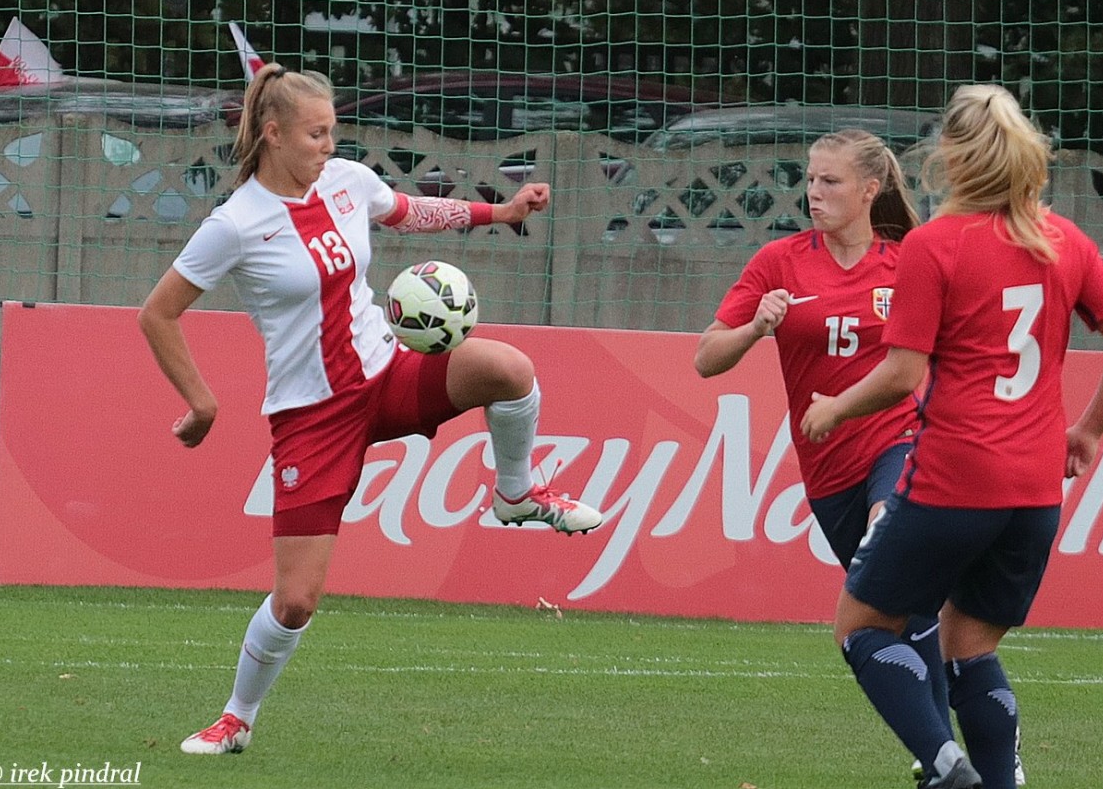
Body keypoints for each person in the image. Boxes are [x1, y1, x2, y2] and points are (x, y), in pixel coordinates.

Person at [138, 63, 604, 756]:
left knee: (510, 369)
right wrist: (201, 404)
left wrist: (499, 212)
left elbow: (410, 210)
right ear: (273, 134)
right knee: (296, 601)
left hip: (388, 372)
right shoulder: (234, 224)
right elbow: (158, 313)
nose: (330, 144)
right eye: (317, 132)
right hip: (312, 417)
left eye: (332, 131)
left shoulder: (348, 183)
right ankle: (237, 717)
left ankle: (516, 493)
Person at [801, 84, 1103, 789]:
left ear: (953, 156)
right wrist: (1086, 430)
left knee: (862, 625)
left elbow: (902, 374)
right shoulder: (1063, 239)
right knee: (970, 644)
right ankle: (995, 781)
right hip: (1033, 490)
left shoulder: (935, 246)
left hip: (954, 479)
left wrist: (835, 407)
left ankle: (943, 764)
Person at [694, 128, 966, 780]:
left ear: (870, 189)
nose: (814, 192)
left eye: (830, 181)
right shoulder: (780, 262)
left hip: (902, 445)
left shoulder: (907, 262)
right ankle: (942, 759)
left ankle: (945, 758)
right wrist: (758, 326)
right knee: (902, 619)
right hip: (828, 474)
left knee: (890, 538)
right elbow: (707, 357)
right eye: (810, 179)